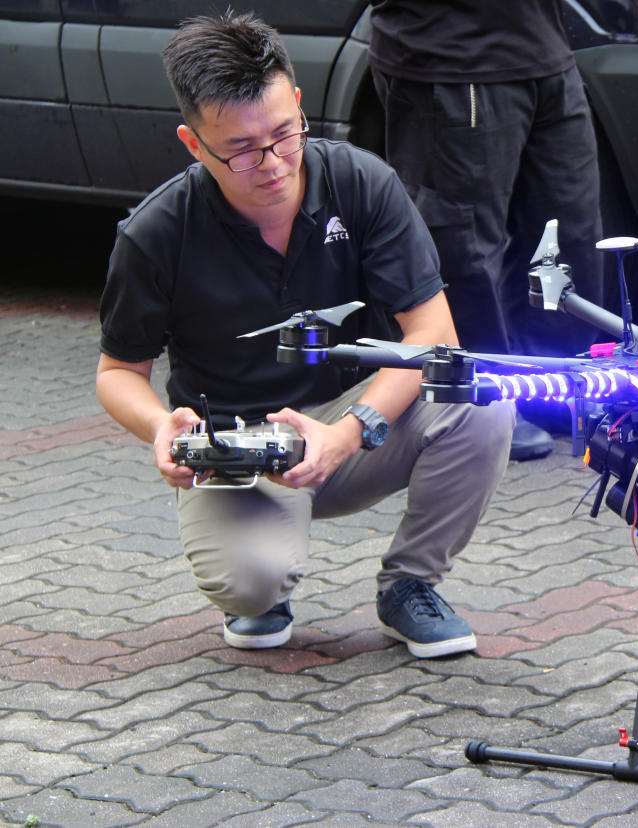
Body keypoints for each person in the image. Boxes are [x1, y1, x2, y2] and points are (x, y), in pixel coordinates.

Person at [95, 11, 513, 657]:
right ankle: (264, 579)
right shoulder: (156, 233)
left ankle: (410, 585)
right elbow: (119, 372)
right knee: (253, 589)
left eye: (283, 134)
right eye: (239, 149)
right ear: (192, 142)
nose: (271, 163)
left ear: (296, 101)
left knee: (478, 395)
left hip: (351, 421)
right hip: (238, 447)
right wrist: (160, 428)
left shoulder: (362, 183)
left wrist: (350, 433)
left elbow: (432, 333)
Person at [368, 0, 610, 461]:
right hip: (453, 54)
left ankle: (555, 390)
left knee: (569, 231)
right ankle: (483, 401)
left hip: (543, 47)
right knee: (466, 242)